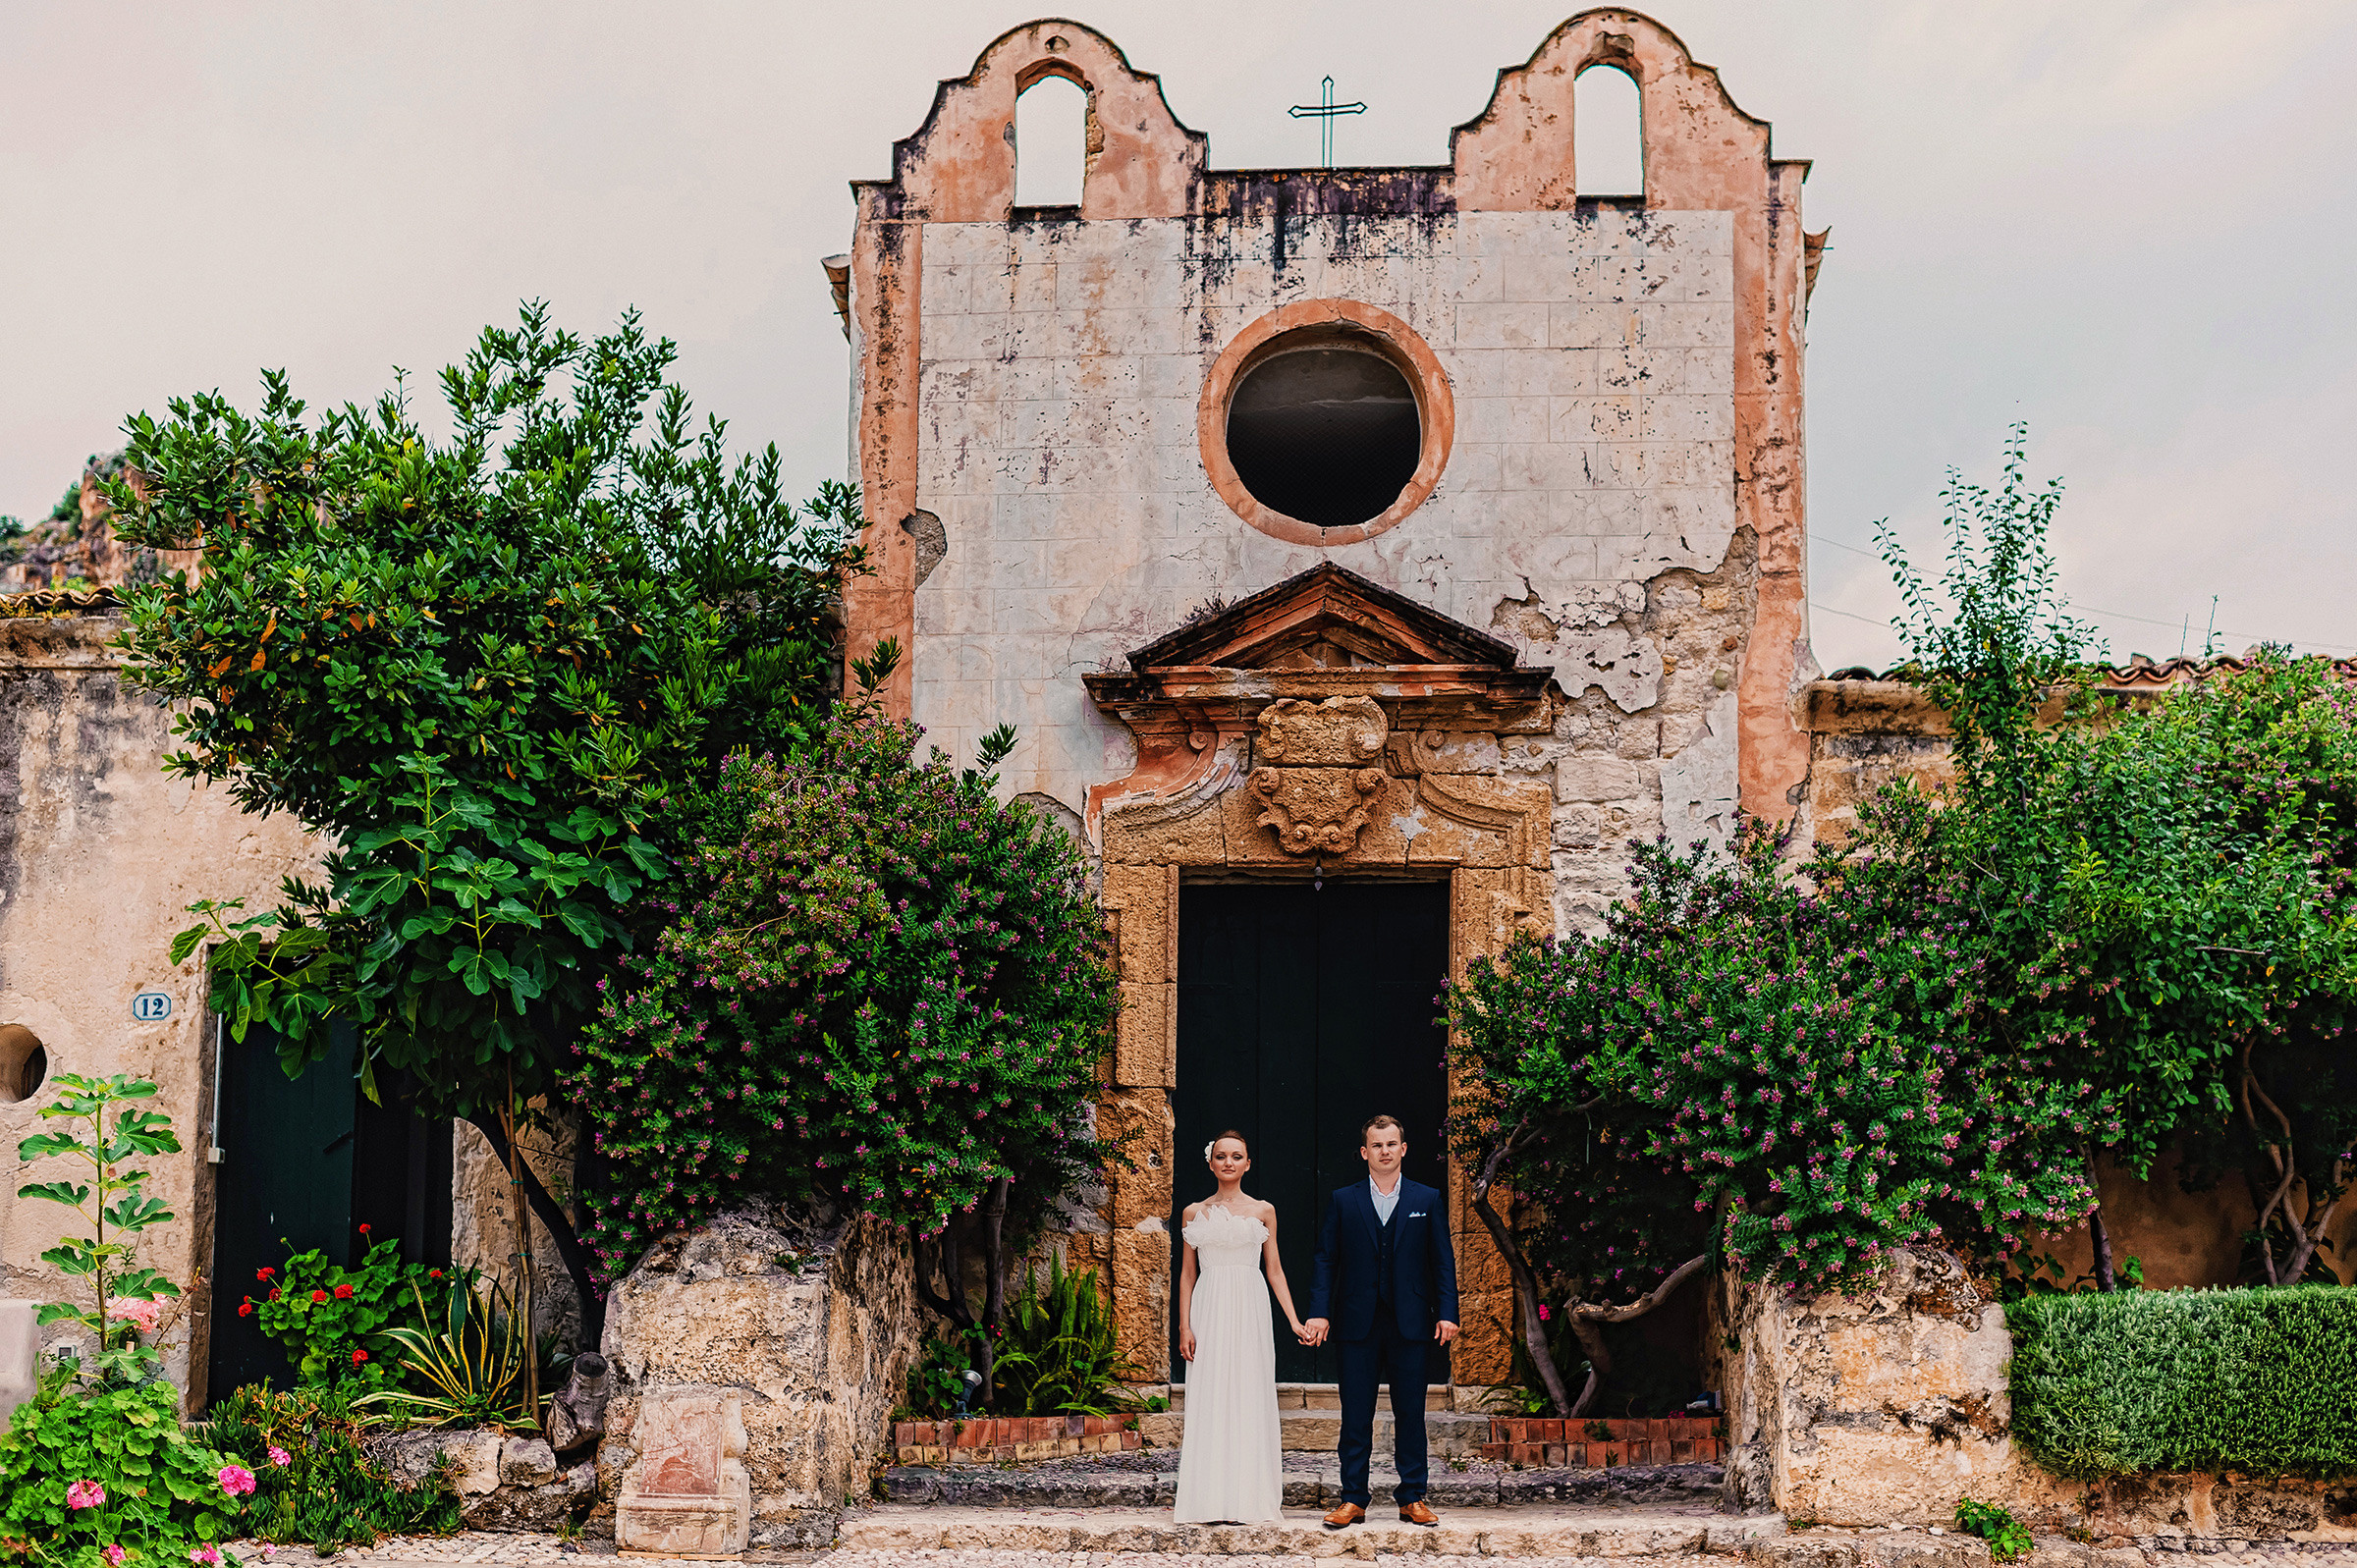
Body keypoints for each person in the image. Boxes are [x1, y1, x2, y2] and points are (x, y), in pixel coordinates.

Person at [1299, 1113, 1458, 1530]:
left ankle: (1413, 1497)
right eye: (1376, 1145)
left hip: (1412, 1323)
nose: (1384, 1151)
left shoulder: (1427, 1198)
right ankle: (1353, 1499)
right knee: (1355, 1416)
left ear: (1403, 1149)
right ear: (1364, 1152)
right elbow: (1326, 1259)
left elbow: (1442, 1260)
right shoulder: (1343, 1200)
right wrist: (1319, 1311)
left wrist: (1447, 1312)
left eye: (1391, 1144)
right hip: (1356, 1324)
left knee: (1411, 1414)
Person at [1173, 1130, 1311, 1524]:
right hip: (1209, 1305)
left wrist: (1293, 1320)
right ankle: (1208, 1500)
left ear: (1248, 1164)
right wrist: (1184, 1326)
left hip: (1250, 1306)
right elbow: (1187, 1274)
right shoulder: (1192, 1212)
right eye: (1221, 1156)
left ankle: (1249, 1499)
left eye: (1236, 1156)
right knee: (1210, 1393)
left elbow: (1275, 1270)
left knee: (1250, 1392)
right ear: (1211, 1163)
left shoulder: (1264, 1210)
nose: (1228, 1162)